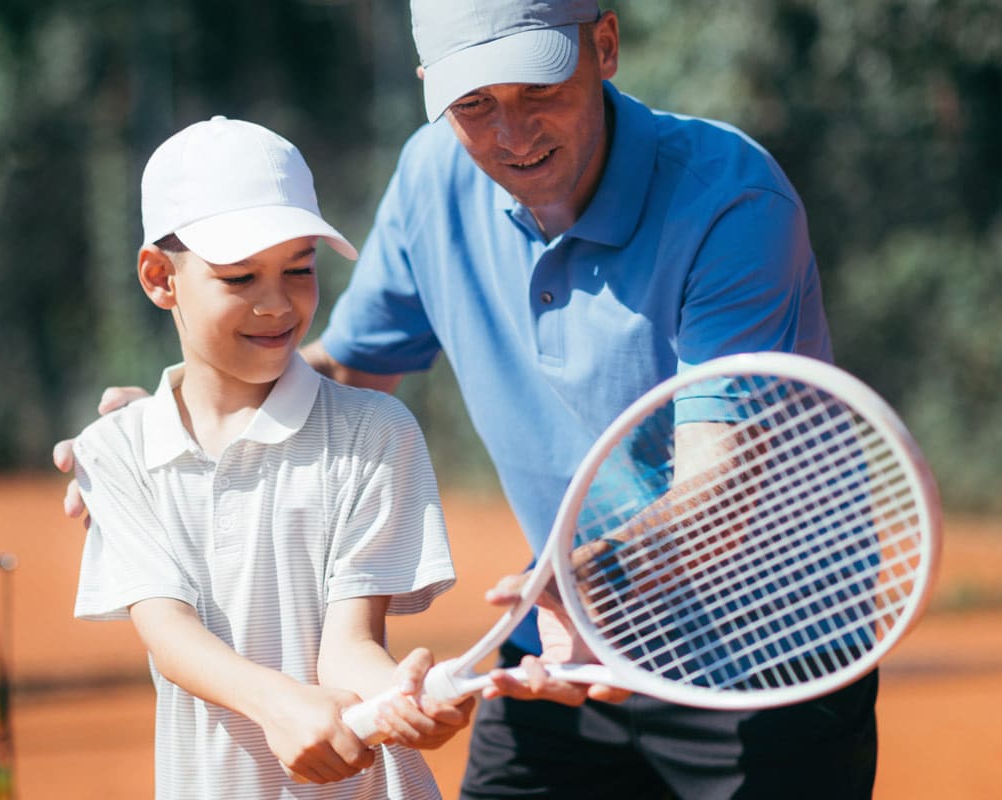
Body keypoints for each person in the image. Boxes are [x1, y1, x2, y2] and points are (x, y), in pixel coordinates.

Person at [59, 1, 876, 797]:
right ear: (429, 85)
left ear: (606, 45)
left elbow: (722, 487)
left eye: (539, 90)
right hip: (559, 643)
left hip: (763, 657)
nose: (512, 136)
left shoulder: (731, 203)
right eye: (474, 103)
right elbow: (340, 374)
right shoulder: (433, 176)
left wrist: (597, 583)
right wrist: (194, 420)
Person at [69, 115, 471, 800]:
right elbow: (169, 635)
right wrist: (280, 704)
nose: (278, 302)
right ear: (160, 277)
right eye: (239, 277)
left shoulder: (375, 432)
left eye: (299, 269)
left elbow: (351, 645)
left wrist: (403, 697)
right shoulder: (115, 449)